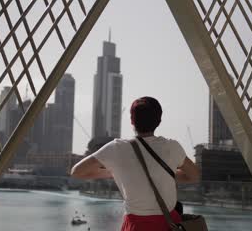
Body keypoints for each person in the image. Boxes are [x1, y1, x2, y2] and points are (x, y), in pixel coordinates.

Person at [71, 96, 200, 231]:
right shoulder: (172, 147)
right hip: (169, 225)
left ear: (132, 121)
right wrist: (164, 173)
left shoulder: (117, 148)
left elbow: (77, 172)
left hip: (136, 226)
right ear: (159, 121)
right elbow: (194, 176)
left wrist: (114, 172)